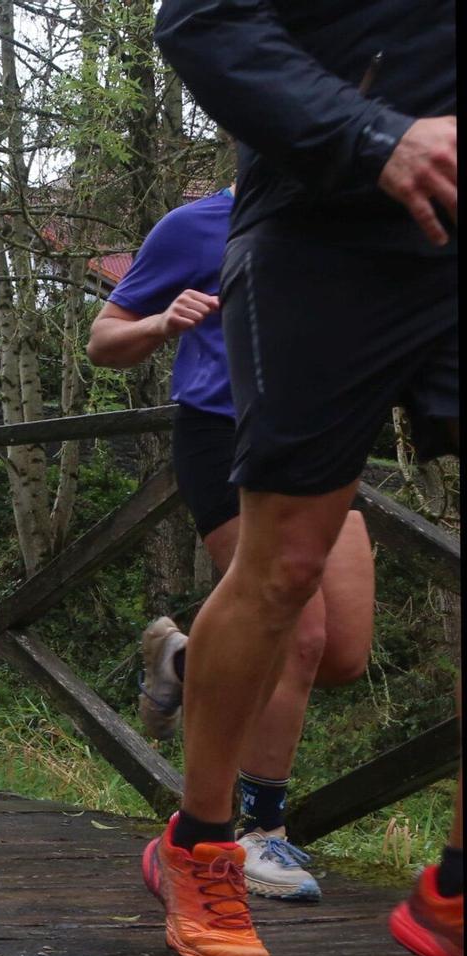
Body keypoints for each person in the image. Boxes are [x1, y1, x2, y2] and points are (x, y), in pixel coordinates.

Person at [154, 0, 459, 956]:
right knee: (285, 569)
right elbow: (198, 22)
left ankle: (451, 888)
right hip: (321, 238)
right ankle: (201, 842)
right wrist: (372, 133)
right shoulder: (182, 227)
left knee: (334, 639)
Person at [86, 184, 375, 903]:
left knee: (342, 655)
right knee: (296, 635)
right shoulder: (197, 226)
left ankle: (184, 660)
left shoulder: (358, 219)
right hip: (226, 439)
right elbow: (103, 339)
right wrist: (161, 321)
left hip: (327, 442)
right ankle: (256, 832)